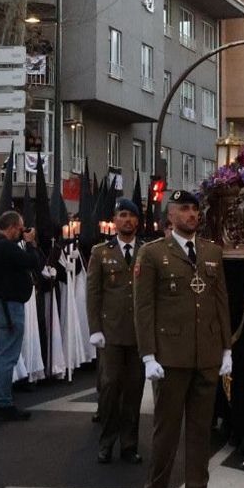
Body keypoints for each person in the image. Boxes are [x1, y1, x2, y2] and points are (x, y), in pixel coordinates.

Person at [134, 189, 233, 488]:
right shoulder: (152, 254)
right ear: (170, 216)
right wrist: (148, 354)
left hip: (205, 355)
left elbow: (221, 302)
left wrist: (226, 347)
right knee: (165, 431)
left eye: (194, 209)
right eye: (184, 209)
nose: (192, 214)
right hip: (170, 358)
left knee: (200, 431)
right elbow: (144, 309)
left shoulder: (212, 252)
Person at [88, 198, 146, 465]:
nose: (127, 220)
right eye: (122, 215)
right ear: (115, 220)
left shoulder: (148, 251)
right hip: (111, 334)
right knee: (110, 388)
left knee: (134, 391)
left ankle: (129, 445)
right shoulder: (101, 252)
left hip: (139, 335)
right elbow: (94, 295)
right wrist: (95, 329)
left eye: (132, 216)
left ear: (138, 221)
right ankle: (106, 442)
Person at [0, 210, 40, 421]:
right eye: (20, 227)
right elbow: (31, 261)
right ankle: (5, 403)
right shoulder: (5, 246)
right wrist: (31, 243)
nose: (22, 232)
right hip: (9, 306)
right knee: (7, 356)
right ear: (13, 227)